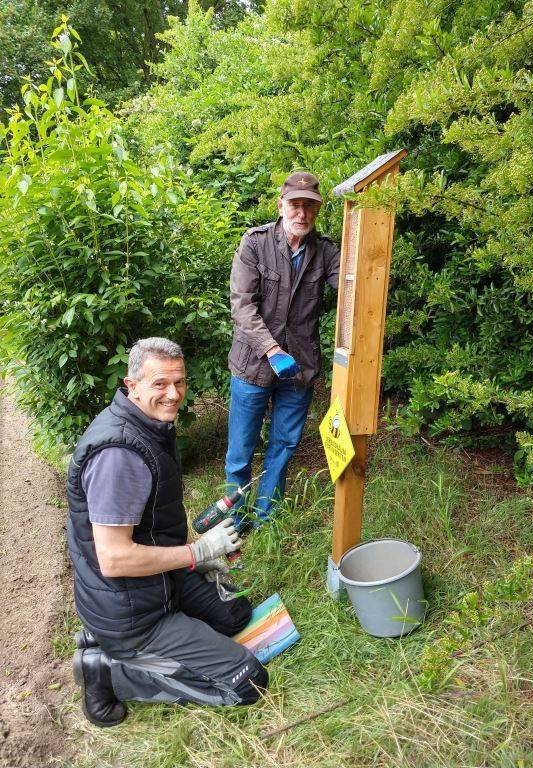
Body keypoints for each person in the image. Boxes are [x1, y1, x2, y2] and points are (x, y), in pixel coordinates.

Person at [67, 337, 268, 728]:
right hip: (131, 612)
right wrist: (197, 552)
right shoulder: (119, 455)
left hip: (152, 583)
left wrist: (198, 557)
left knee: (234, 613)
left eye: (179, 382)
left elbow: (150, 523)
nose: (173, 393)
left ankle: (128, 641)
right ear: (132, 385)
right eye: (160, 383)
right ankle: (107, 669)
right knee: (249, 681)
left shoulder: (149, 426)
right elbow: (114, 558)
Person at [226, 172, 339, 527]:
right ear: (281, 206)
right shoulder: (255, 244)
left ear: (316, 212)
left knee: (284, 447)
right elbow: (241, 306)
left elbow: (355, 285)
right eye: (295, 205)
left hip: (299, 370)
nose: (302, 213)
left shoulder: (327, 251)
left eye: (309, 206)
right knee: (240, 452)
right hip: (253, 366)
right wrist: (272, 350)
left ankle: (264, 518)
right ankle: (234, 521)